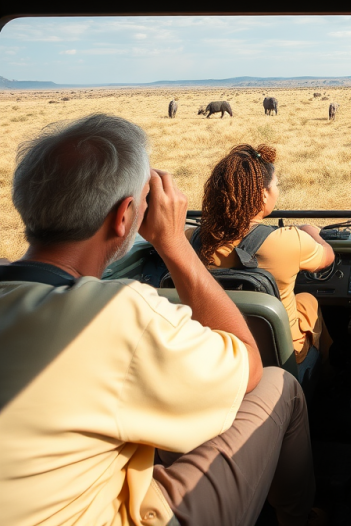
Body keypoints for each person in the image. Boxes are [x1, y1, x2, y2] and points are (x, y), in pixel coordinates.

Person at [0, 115, 315, 526]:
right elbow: (249, 365)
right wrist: (173, 242)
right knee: (281, 385)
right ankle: (299, 517)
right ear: (124, 216)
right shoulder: (114, 312)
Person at [190, 144, 334, 365]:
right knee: (308, 301)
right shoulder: (290, 240)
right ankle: (323, 371)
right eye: (276, 184)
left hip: (214, 355)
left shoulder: (190, 240)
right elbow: (327, 257)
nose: (277, 190)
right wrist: (311, 231)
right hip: (278, 359)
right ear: (263, 195)